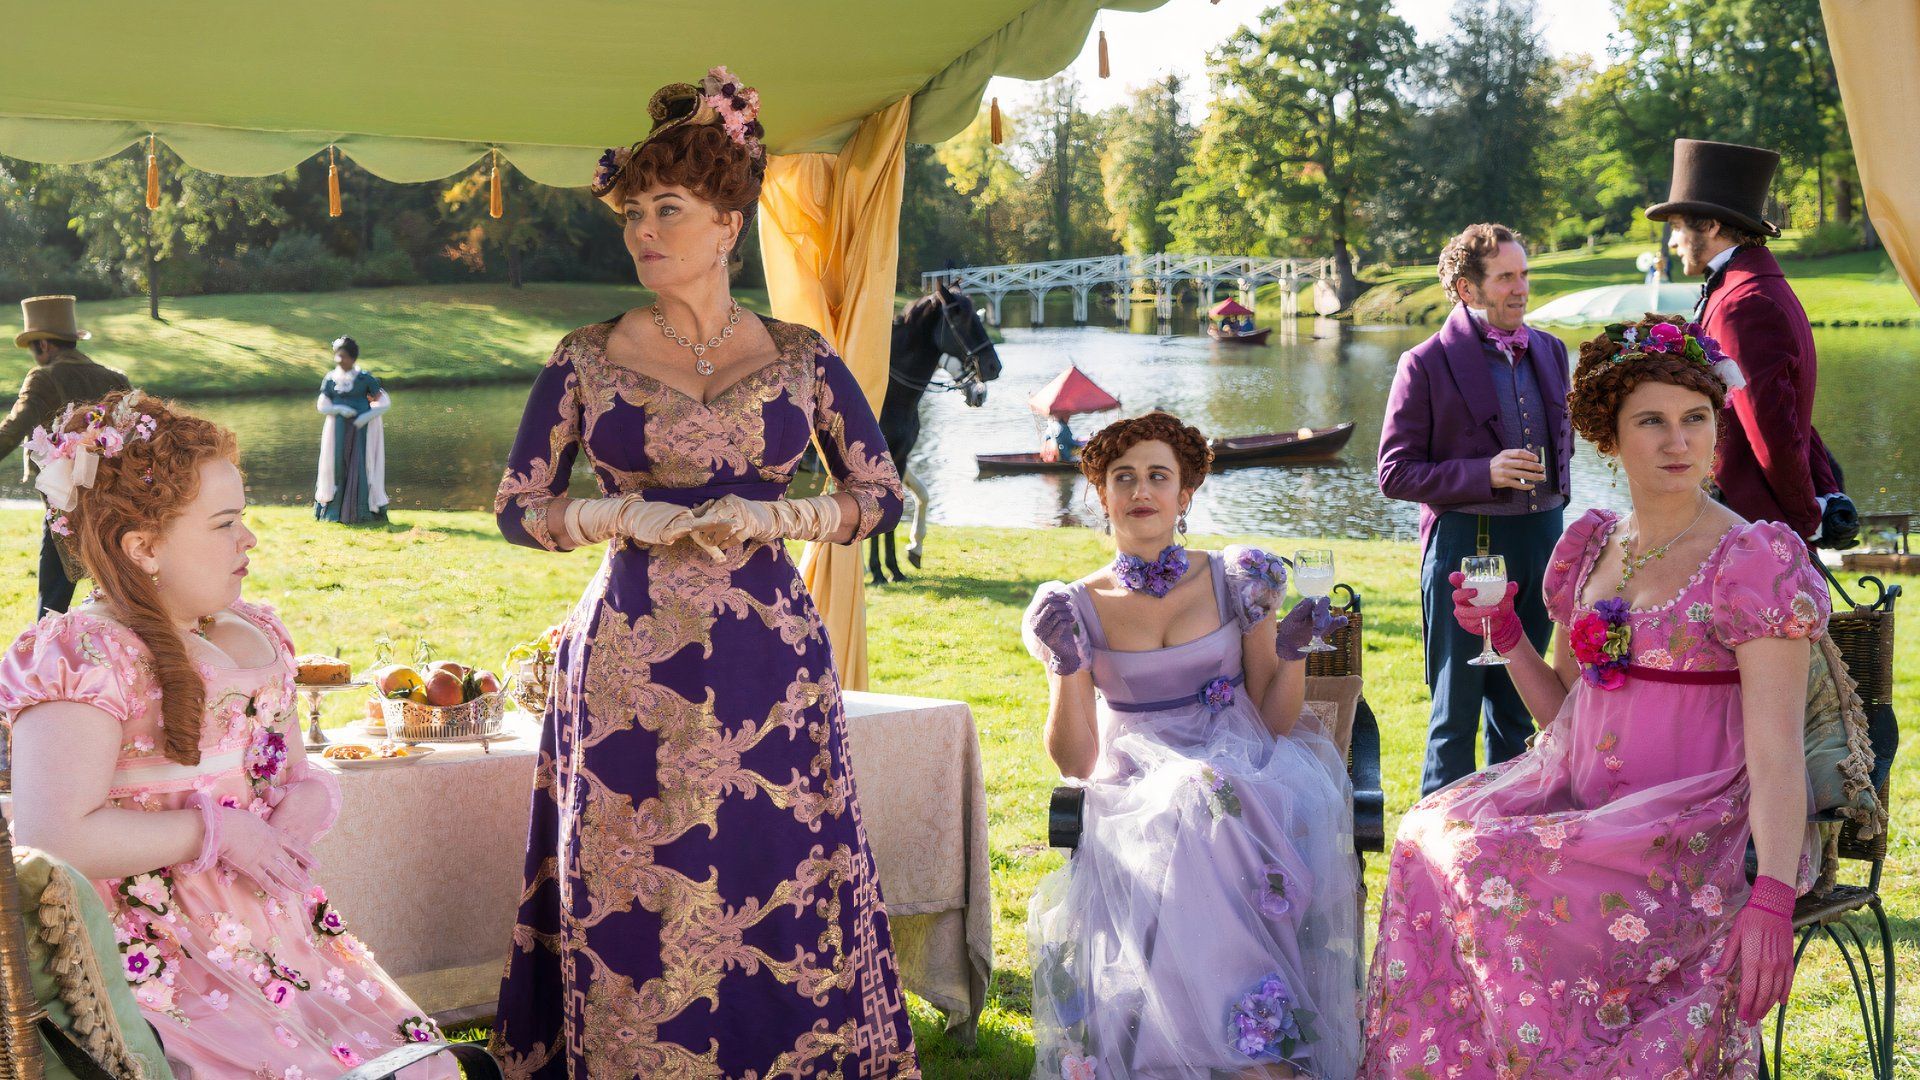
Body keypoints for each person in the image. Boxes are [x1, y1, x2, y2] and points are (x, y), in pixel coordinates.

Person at [489, 67, 919, 1078]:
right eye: (634, 213)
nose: (644, 230)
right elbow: (518, 505)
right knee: (633, 882)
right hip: (632, 661)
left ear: (729, 222)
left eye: (667, 209)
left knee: (773, 866)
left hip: (770, 660)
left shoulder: (804, 356)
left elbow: (882, 493)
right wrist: (615, 513)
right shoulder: (585, 357)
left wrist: (783, 513)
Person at [1361, 316, 1828, 1077]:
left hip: (1685, 824)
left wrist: (1772, 894)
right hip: (1579, 794)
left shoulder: (1753, 558)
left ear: (1718, 428)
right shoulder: (1594, 545)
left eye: (1696, 420)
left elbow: (1776, 751)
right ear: (1609, 437)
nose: (1679, 442)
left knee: (1493, 875)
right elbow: (1567, 715)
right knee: (1425, 836)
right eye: (1652, 421)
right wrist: (1506, 632)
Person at [1, 391, 452, 1077]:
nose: (250, 539)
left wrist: (305, 798)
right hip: (158, 954)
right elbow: (53, 838)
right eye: (225, 524)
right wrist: (221, 833)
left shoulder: (255, 628)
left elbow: (286, 765)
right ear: (144, 547)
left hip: (279, 938)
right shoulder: (86, 654)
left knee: (418, 1066)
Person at [1023, 411, 1362, 1080]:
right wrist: (1065, 666)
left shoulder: (1236, 576)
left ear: (1185, 495)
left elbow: (1269, 720)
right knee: (1185, 800)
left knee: (1203, 793)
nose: (1141, 490)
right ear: (1102, 495)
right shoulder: (1073, 604)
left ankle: (1211, 1051)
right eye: (1124, 477)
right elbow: (1075, 762)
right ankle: (1254, 1055)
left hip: (1243, 763)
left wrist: (1290, 653)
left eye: (1158, 476)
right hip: (1132, 779)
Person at [1377, 223, 1572, 795]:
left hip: (1543, 542)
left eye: (1524, 274)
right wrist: (1482, 474)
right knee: (1454, 714)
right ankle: (1433, 860)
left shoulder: (1551, 349)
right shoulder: (1425, 362)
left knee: (1521, 709)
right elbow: (1395, 472)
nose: (1521, 289)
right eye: (1506, 277)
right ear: (1467, 288)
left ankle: (1507, 848)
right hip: (1468, 545)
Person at [1649, 138, 1846, 546]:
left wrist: (1807, 516)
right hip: (1757, 522)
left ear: (1712, 225)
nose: (1671, 243)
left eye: (1677, 227)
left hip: (1754, 530)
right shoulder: (1751, 289)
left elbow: (1772, 428)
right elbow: (1788, 414)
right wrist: (1824, 494)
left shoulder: (1745, 304)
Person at [0, 295, 130, 616]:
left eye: (34, 346)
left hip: (67, 501)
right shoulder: (115, 378)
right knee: (123, 592)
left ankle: (43, 659)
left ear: (44, 344)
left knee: (52, 603)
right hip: (115, 499)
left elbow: (14, 429)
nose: (35, 354)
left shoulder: (43, 377)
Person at [314, 335, 391, 524]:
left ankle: (363, 512)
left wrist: (365, 417)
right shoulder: (331, 379)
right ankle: (334, 512)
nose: (339, 360)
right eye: (337, 356)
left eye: (343, 356)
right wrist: (337, 409)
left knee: (361, 464)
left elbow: (384, 401)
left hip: (360, 431)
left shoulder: (364, 378)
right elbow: (322, 403)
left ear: (353, 358)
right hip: (338, 430)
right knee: (337, 464)